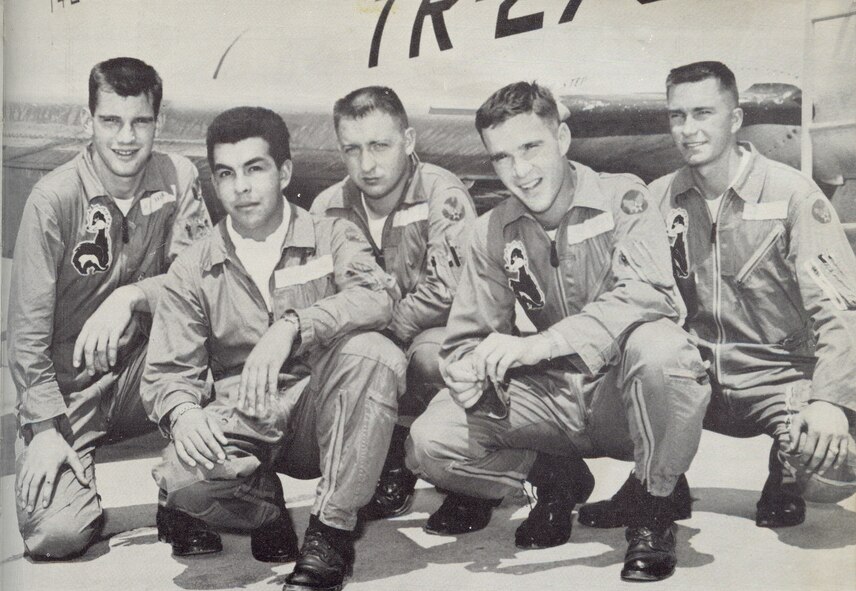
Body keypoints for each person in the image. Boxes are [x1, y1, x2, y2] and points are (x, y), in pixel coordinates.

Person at [406, 81, 710, 582]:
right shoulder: (489, 231)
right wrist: (463, 370)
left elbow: (652, 292)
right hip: (550, 396)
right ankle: (555, 474)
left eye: (531, 147)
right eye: (502, 158)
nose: (520, 172)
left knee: (664, 350)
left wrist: (542, 343)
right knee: (431, 440)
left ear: (563, 139)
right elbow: (465, 340)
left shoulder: (622, 196)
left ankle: (654, 507)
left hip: (618, 392)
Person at [579, 61, 856, 532]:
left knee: (836, 466)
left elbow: (841, 309)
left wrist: (831, 402)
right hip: (694, 372)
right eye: (677, 116)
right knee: (641, 361)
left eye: (703, 113)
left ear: (735, 118)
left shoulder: (791, 195)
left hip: (777, 377)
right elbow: (626, 296)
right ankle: (658, 481)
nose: (688, 130)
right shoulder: (659, 198)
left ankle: (787, 473)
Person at [142, 106, 406, 591]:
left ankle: (330, 536)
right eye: (226, 174)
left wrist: (294, 326)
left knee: (374, 354)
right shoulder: (196, 265)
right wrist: (183, 414)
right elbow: (165, 372)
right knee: (184, 477)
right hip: (246, 415)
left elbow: (378, 297)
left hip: (320, 414)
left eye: (254, 168)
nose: (240, 187)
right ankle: (265, 509)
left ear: (284, 172)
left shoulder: (331, 234)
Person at [8, 57, 211, 560]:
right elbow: (26, 335)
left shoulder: (177, 177)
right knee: (56, 536)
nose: (126, 137)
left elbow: (202, 287)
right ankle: (81, 495)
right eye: (111, 121)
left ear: (157, 123)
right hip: (71, 389)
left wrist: (132, 295)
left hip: (148, 371)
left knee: (219, 354)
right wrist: (43, 428)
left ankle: (181, 494)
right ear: (87, 121)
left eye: (140, 121)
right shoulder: (52, 199)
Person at [312, 86, 476, 520]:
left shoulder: (443, 192)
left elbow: (448, 289)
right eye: (352, 149)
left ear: (408, 141)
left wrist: (387, 327)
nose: (366, 164)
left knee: (431, 354)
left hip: (441, 335)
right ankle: (388, 461)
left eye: (380, 146)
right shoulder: (327, 208)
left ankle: (475, 481)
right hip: (375, 340)